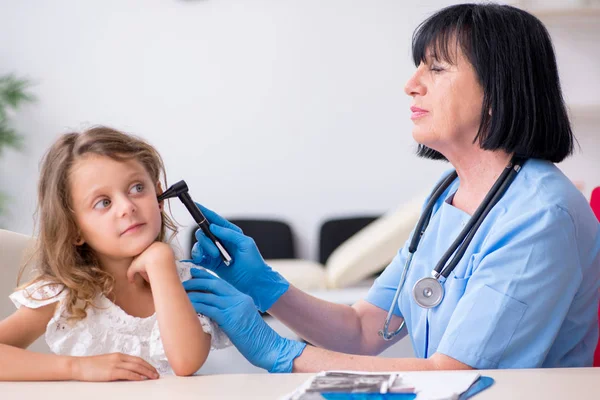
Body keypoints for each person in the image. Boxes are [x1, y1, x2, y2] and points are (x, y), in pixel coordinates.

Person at [183, 3, 600, 373]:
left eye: (436, 68)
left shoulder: (541, 216)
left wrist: (274, 349)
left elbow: (454, 375)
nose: (411, 84)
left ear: (497, 89)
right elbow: (363, 328)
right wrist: (265, 287)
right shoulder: (448, 193)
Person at [0, 127, 230, 381]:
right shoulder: (67, 294)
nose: (127, 207)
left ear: (159, 197)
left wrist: (161, 263)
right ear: (74, 229)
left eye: (137, 188)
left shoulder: (188, 282)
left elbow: (186, 362)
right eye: (104, 203)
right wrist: (76, 367)